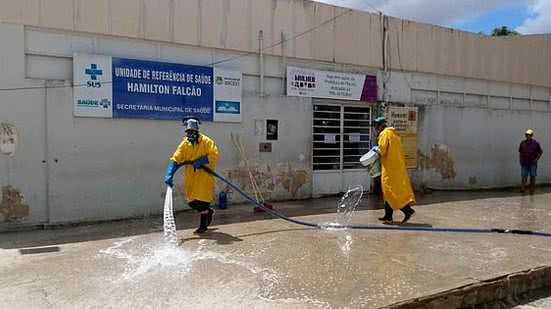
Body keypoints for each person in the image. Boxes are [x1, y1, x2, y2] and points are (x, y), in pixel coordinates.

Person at [164, 118, 219, 234]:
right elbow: (176, 158)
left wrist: (203, 160)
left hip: (204, 175)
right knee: (192, 202)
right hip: (191, 176)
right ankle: (208, 212)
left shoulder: (206, 141)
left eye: (192, 132)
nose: (190, 134)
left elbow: (214, 155)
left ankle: (203, 226)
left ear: (197, 131)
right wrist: (170, 173)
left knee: (202, 202)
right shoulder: (185, 144)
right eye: (188, 132)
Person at [372, 116, 416, 224]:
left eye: (376, 126)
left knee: (390, 191)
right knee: (388, 192)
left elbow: (382, 150)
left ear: (381, 125)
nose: (375, 128)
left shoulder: (384, 134)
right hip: (397, 168)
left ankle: (408, 211)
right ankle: (388, 217)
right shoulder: (394, 134)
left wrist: (375, 149)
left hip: (390, 169)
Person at [519, 129, 543, 194]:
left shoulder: (536, 143)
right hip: (524, 163)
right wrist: (520, 160)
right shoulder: (522, 143)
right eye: (527, 135)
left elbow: (540, 152)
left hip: (533, 163)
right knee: (524, 176)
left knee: (532, 176)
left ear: (532, 135)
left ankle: (532, 189)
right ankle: (522, 188)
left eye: (529, 135)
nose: (528, 136)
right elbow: (520, 152)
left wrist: (536, 159)